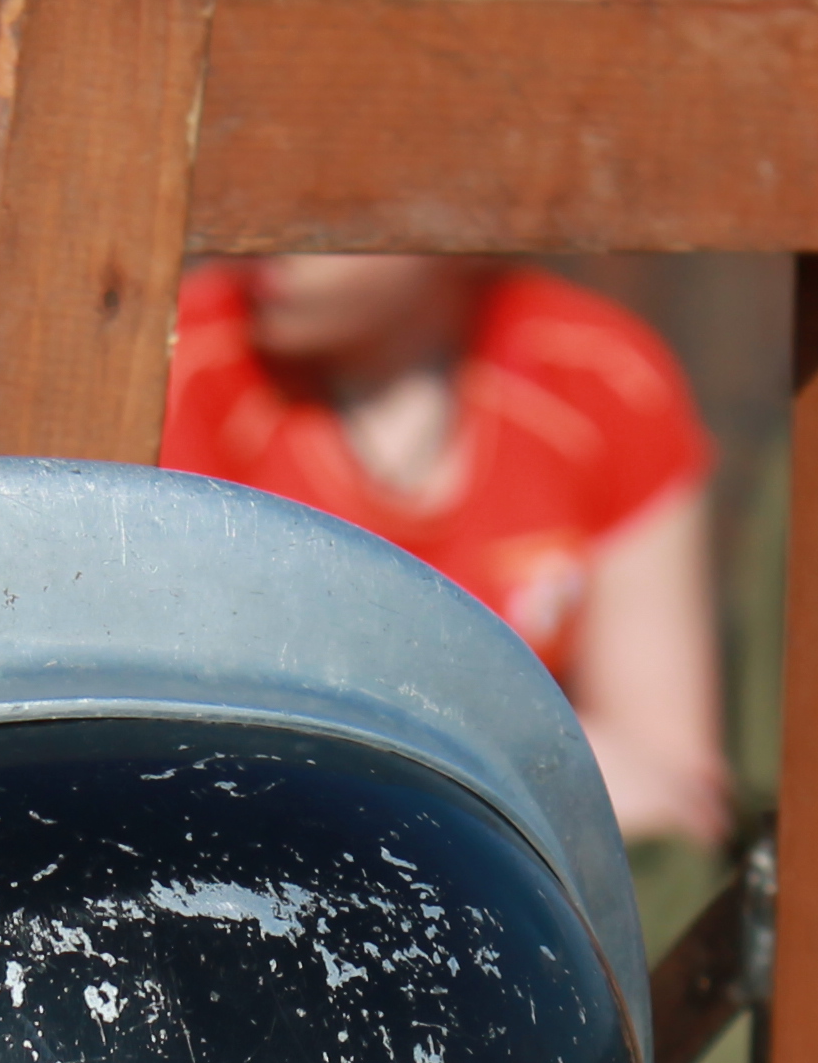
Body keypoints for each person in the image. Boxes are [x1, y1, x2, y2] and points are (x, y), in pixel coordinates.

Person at [159, 251, 730, 851]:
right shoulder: (172, 367)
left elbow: (673, 790)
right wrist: (528, 759)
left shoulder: (602, 377)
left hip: (519, 872)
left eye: (319, 205)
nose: (267, 241)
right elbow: (196, 743)